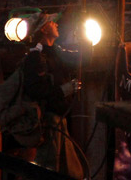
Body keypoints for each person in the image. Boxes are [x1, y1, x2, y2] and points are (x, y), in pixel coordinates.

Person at [21, 12, 84, 178]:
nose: (55, 24)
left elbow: (82, 58)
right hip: (48, 122)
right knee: (51, 167)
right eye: (51, 23)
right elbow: (35, 90)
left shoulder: (55, 53)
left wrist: (85, 41)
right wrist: (64, 90)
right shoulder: (36, 57)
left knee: (69, 169)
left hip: (59, 121)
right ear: (43, 29)